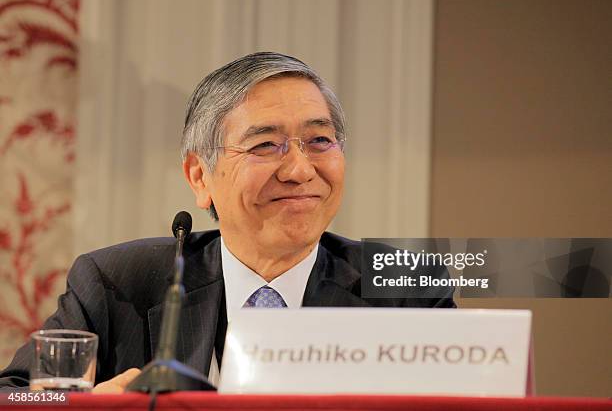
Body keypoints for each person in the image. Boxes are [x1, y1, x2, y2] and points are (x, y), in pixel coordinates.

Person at [0, 52, 455, 392]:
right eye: (264, 145)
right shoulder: (118, 282)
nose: (299, 170)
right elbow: (14, 398)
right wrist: (77, 405)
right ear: (200, 177)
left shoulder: (407, 289)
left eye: (320, 140)